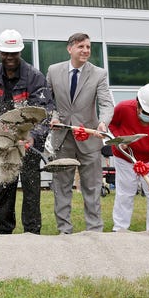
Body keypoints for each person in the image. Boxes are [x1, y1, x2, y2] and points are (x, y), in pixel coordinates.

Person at [0, 29, 54, 234]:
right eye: (5, 53)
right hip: (2, 141)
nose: (9, 57)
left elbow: (45, 111)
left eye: (14, 53)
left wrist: (33, 135)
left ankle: (31, 231)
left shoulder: (35, 77)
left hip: (28, 142)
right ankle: (3, 229)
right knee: (3, 186)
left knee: (30, 189)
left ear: (20, 52)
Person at [46, 32, 114, 234]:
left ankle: (94, 230)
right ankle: (64, 231)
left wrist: (103, 123)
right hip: (62, 137)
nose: (85, 51)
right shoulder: (53, 71)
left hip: (89, 138)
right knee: (62, 187)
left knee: (92, 187)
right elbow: (47, 101)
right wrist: (53, 116)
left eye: (88, 47)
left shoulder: (99, 74)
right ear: (70, 49)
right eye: (81, 47)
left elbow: (106, 103)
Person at [109, 83, 149, 230]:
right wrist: (119, 140)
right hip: (124, 157)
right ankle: (120, 229)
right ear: (138, 104)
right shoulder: (123, 108)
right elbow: (111, 125)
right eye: (146, 113)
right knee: (125, 193)